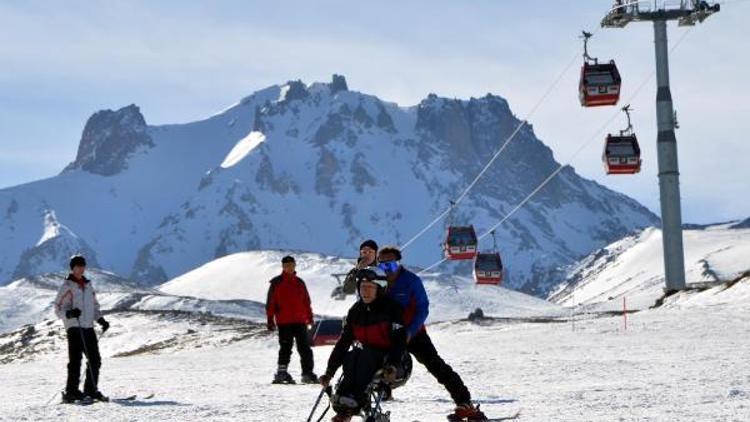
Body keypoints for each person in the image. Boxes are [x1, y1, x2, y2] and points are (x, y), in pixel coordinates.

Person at [377, 246, 487, 421]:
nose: (386, 270)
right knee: (377, 367)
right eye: (382, 266)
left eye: (390, 265)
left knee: (436, 366)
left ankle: (464, 403)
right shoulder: (378, 282)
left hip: (414, 334)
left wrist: (411, 332)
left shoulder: (411, 281)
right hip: (390, 334)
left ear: (398, 263)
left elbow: (423, 309)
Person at [319, 267, 408, 422]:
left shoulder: (392, 309)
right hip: (365, 358)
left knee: (365, 355)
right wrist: (330, 371)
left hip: (397, 362)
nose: (364, 292)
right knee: (352, 355)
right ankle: (343, 404)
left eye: (369, 288)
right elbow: (343, 343)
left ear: (379, 288)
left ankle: (356, 400)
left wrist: (393, 364)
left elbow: (399, 342)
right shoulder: (356, 311)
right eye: (362, 288)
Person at [54, 255, 111, 403]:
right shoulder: (67, 286)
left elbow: (94, 305)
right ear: (72, 268)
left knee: (95, 359)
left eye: (82, 265)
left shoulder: (88, 285)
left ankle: (91, 390)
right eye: (77, 266)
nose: (80, 268)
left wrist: (100, 319)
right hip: (74, 326)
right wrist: (70, 313)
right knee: (76, 360)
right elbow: (58, 308)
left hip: (88, 327)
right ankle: (71, 392)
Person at [266, 255, 317, 384]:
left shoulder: (300, 282)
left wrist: (310, 319)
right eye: (286, 265)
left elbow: (306, 302)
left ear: (295, 266)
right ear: (283, 267)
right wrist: (270, 320)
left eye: (291, 265)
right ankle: (281, 372)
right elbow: (270, 303)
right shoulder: (276, 283)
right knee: (285, 347)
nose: (289, 267)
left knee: (305, 348)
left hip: (300, 321)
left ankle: (307, 373)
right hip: (284, 322)